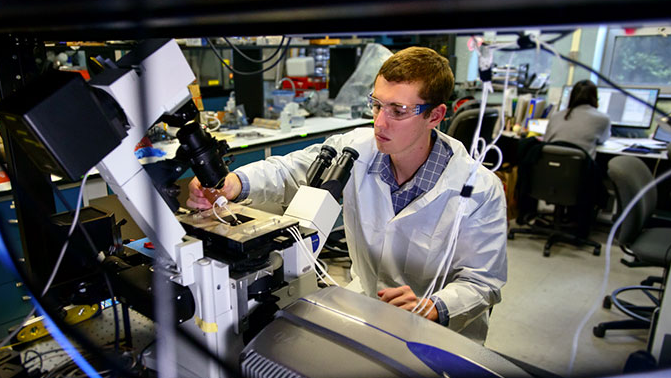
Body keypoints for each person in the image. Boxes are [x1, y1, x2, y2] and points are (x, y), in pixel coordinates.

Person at [187, 47, 507, 342]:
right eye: (377, 104)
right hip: (367, 310)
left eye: (397, 110)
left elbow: (483, 283)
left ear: (435, 116)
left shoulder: (479, 189)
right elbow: (290, 170)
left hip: (441, 336)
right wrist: (235, 183)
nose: (379, 122)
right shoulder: (356, 147)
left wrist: (434, 307)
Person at [544, 79, 611, 158]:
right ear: (595, 98)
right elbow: (602, 140)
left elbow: (546, 140)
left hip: (550, 165)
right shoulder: (603, 118)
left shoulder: (555, 116)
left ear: (572, 96)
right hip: (581, 167)